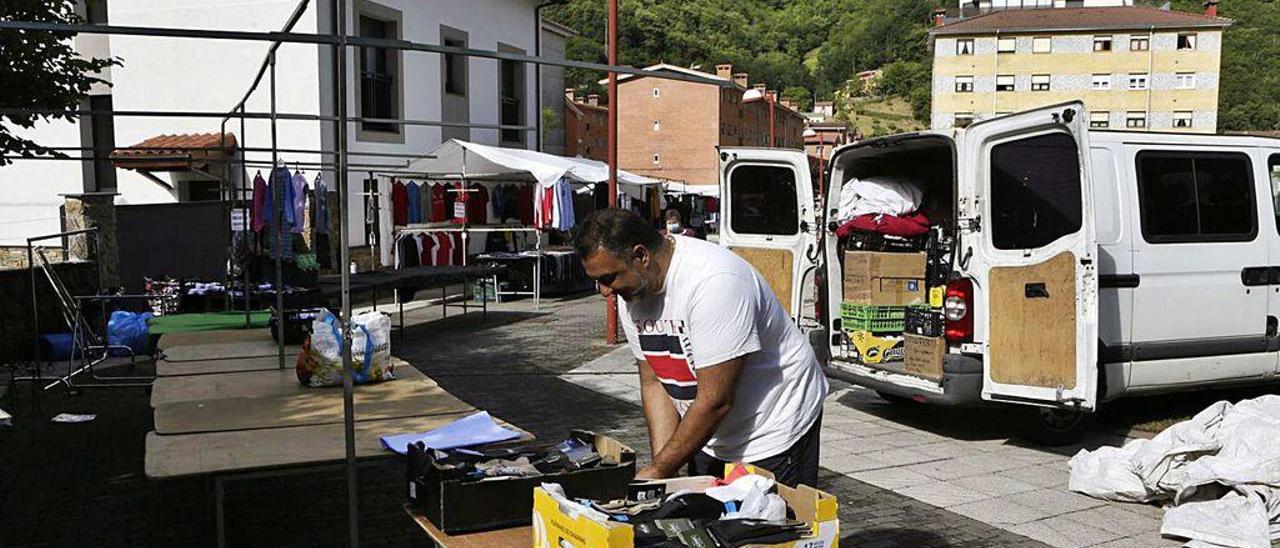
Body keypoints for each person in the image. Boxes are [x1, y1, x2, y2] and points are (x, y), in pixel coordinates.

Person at [574, 208, 829, 486]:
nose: (604, 291)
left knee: (767, 524)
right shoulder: (632, 294)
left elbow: (716, 400)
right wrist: (664, 470)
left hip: (773, 424)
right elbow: (654, 382)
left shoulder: (715, 282)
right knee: (704, 519)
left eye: (609, 277)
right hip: (712, 429)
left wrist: (660, 469)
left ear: (641, 256)